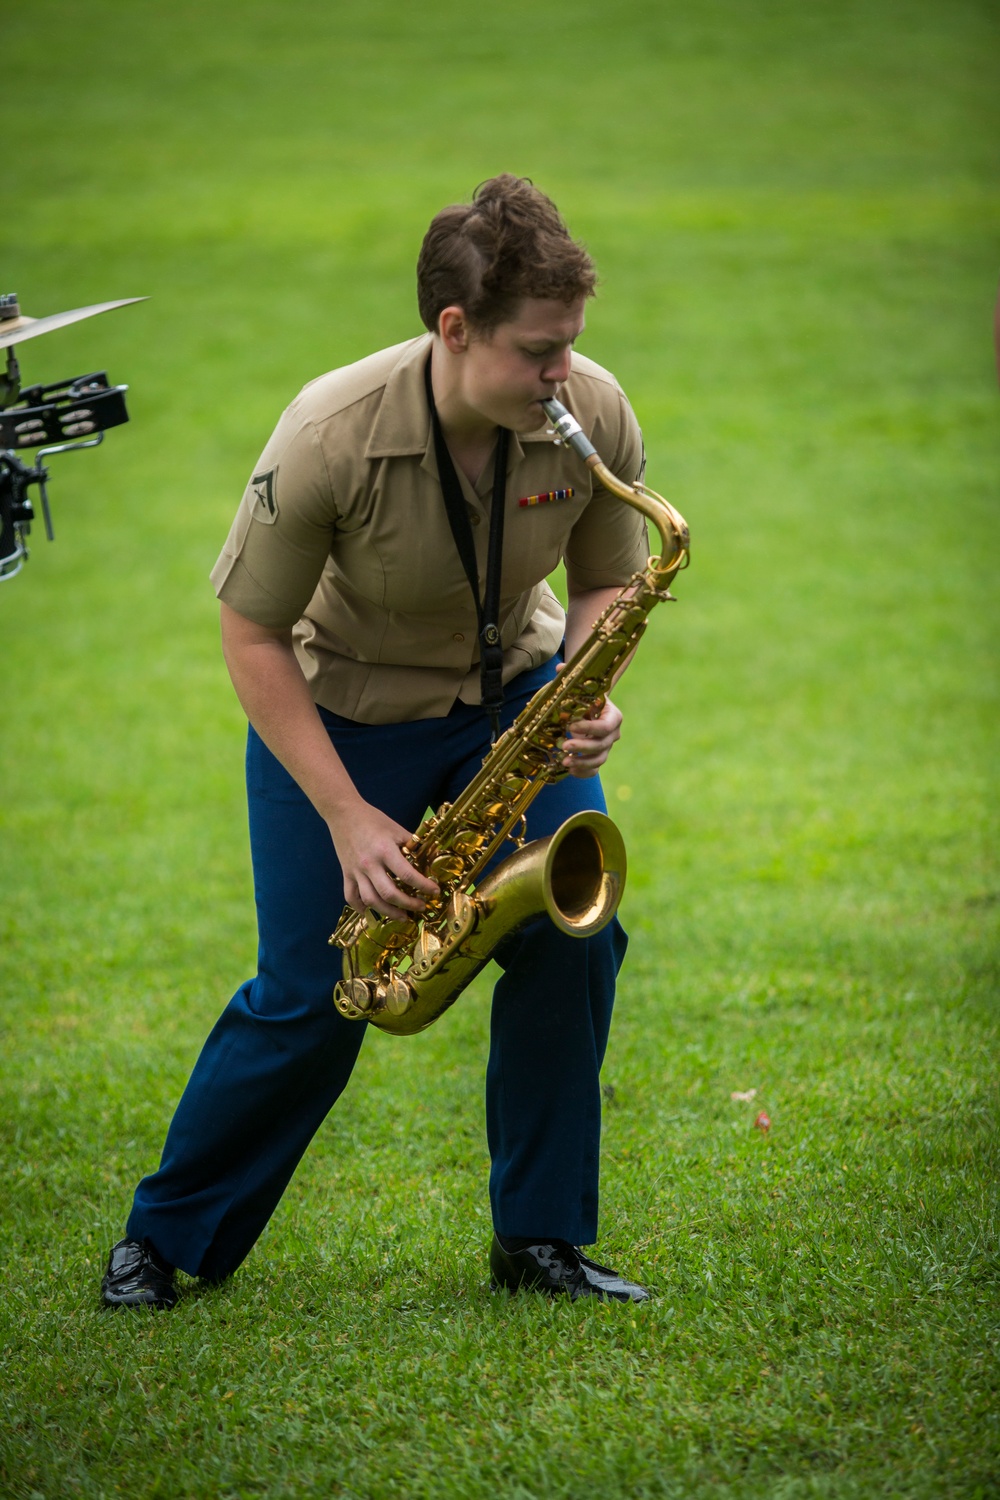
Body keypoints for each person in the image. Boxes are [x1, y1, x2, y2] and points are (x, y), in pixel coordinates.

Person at [102, 174, 653, 1309]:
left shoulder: (587, 410)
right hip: (342, 726)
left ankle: (540, 1242)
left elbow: (606, 579)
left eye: (571, 347)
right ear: (454, 332)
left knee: (571, 934)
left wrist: (588, 688)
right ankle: (161, 1243)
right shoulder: (327, 432)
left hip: (514, 711)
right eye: (538, 352)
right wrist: (348, 817)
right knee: (313, 993)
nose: (565, 377)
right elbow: (251, 635)